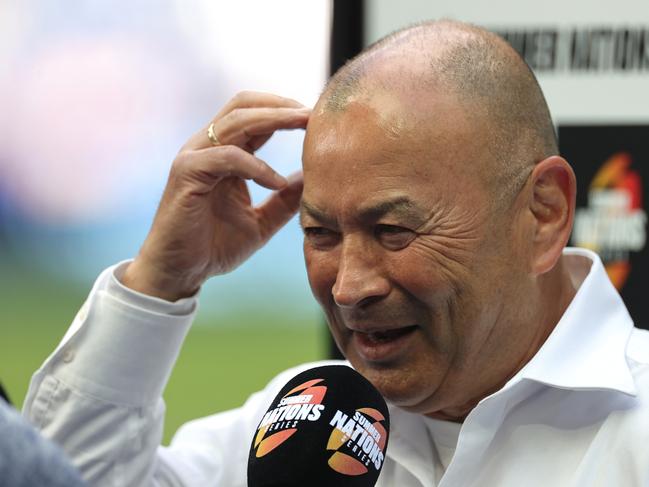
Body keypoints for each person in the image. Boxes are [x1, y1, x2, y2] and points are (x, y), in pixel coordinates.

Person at [23, 19, 649, 486]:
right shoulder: (303, 422)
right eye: (319, 233)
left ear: (542, 214)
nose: (349, 287)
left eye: (393, 230)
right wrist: (161, 280)